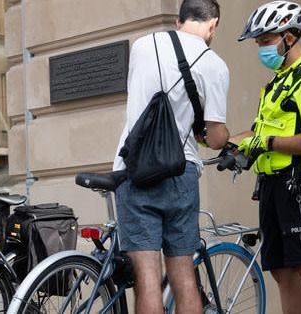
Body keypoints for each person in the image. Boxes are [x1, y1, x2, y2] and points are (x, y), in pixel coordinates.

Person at [111, 0, 230, 312]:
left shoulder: (141, 46)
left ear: (179, 21)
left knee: (147, 280)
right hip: (181, 173)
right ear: (213, 24)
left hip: (134, 169)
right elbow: (216, 139)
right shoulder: (215, 65)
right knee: (182, 276)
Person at [230, 1, 301, 313]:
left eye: (266, 41)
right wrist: (223, 141)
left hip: (300, 183)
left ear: (289, 37)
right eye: (259, 43)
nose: (262, 49)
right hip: (272, 183)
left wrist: (265, 142)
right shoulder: (278, 83)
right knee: (280, 269)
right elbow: (257, 133)